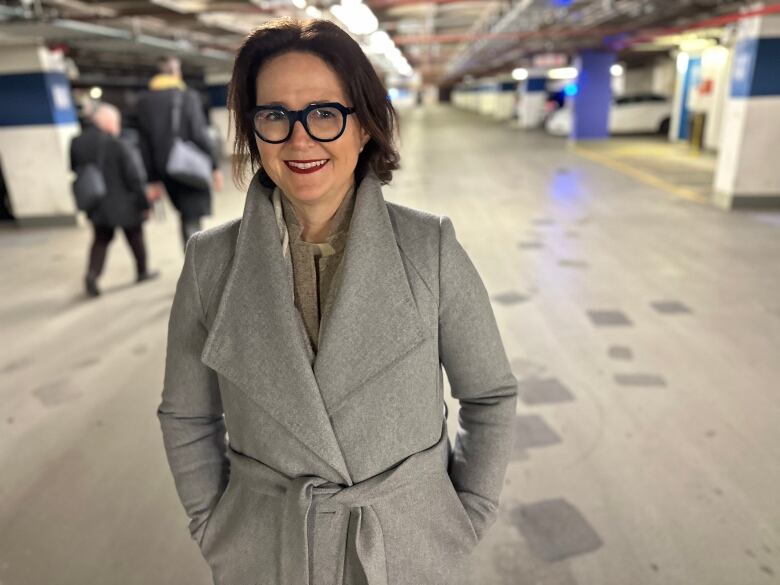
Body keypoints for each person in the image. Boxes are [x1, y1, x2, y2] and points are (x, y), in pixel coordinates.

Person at [157, 18, 518, 585]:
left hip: (406, 546)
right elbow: (187, 413)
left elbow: (490, 394)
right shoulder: (211, 263)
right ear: (254, 132)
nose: (300, 140)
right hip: (269, 549)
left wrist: (463, 518)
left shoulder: (430, 249)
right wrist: (214, 527)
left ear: (365, 127)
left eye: (325, 113)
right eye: (274, 115)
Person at [70, 103, 159, 297]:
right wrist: (145, 204)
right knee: (135, 237)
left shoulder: (77, 142)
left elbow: (74, 169)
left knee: (100, 240)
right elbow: (134, 177)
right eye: (117, 122)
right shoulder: (119, 144)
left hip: (97, 203)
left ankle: (92, 274)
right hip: (125, 203)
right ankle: (142, 271)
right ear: (109, 122)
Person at [135, 56, 223, 249]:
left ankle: (192, 259)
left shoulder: (144, 102)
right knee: (192, 216)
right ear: (176, 72)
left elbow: (143, 144)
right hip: (189, 165)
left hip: (164, 167)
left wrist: (152, 179)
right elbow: (199, 134)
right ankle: (196, 264)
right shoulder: (187, 96)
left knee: (185, 214)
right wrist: (214, 166)